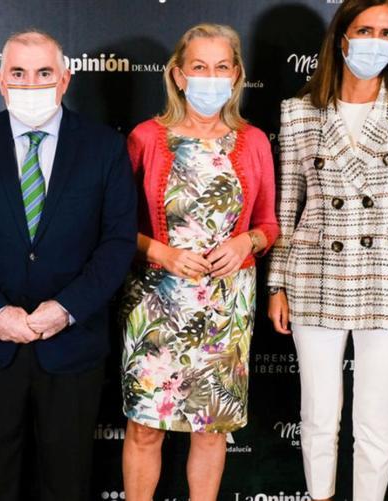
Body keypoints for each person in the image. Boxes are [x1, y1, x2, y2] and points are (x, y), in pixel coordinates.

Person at [0, 30, 137, 501]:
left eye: (44, 73)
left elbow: (117, 242)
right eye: (19, 74)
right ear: (0, 81)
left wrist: (66, 308)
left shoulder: (104, 147)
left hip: (71, 345)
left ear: (64, 80)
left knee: (66, 480)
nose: (31, 83)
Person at [266, 0, 388, 499]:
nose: (375, 41)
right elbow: (287, 206)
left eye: (386, 33)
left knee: (375, 417)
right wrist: (276, 283)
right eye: (364, 29)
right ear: (341, 37)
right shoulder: (299, 109)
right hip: (313, 274)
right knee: (318, 414)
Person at [119, 23, 278, 501]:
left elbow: (270, 223)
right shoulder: (147, 137)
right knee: (146, 428)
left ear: (236, 75)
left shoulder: (253, 142)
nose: (212, 76)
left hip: (226, 309)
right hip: (156, 306)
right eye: (200, 67)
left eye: (222, 67)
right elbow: (115, 228)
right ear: (179, 74)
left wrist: (246, 242)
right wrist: (162, 252)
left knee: (211, 428)